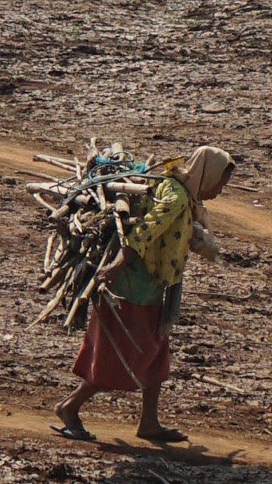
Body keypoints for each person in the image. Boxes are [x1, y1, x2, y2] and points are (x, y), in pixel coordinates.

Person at [56, 147, 235, 446]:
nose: (218, 191)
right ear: (207, 175)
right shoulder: (177, 198)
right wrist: (116, 266)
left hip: (151, 286)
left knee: (155, 356)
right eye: (219, 183)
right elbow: (144, 231)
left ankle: (149, 422)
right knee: (122, 356)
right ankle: (69, 407)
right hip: (133, 287)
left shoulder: (176, 189)